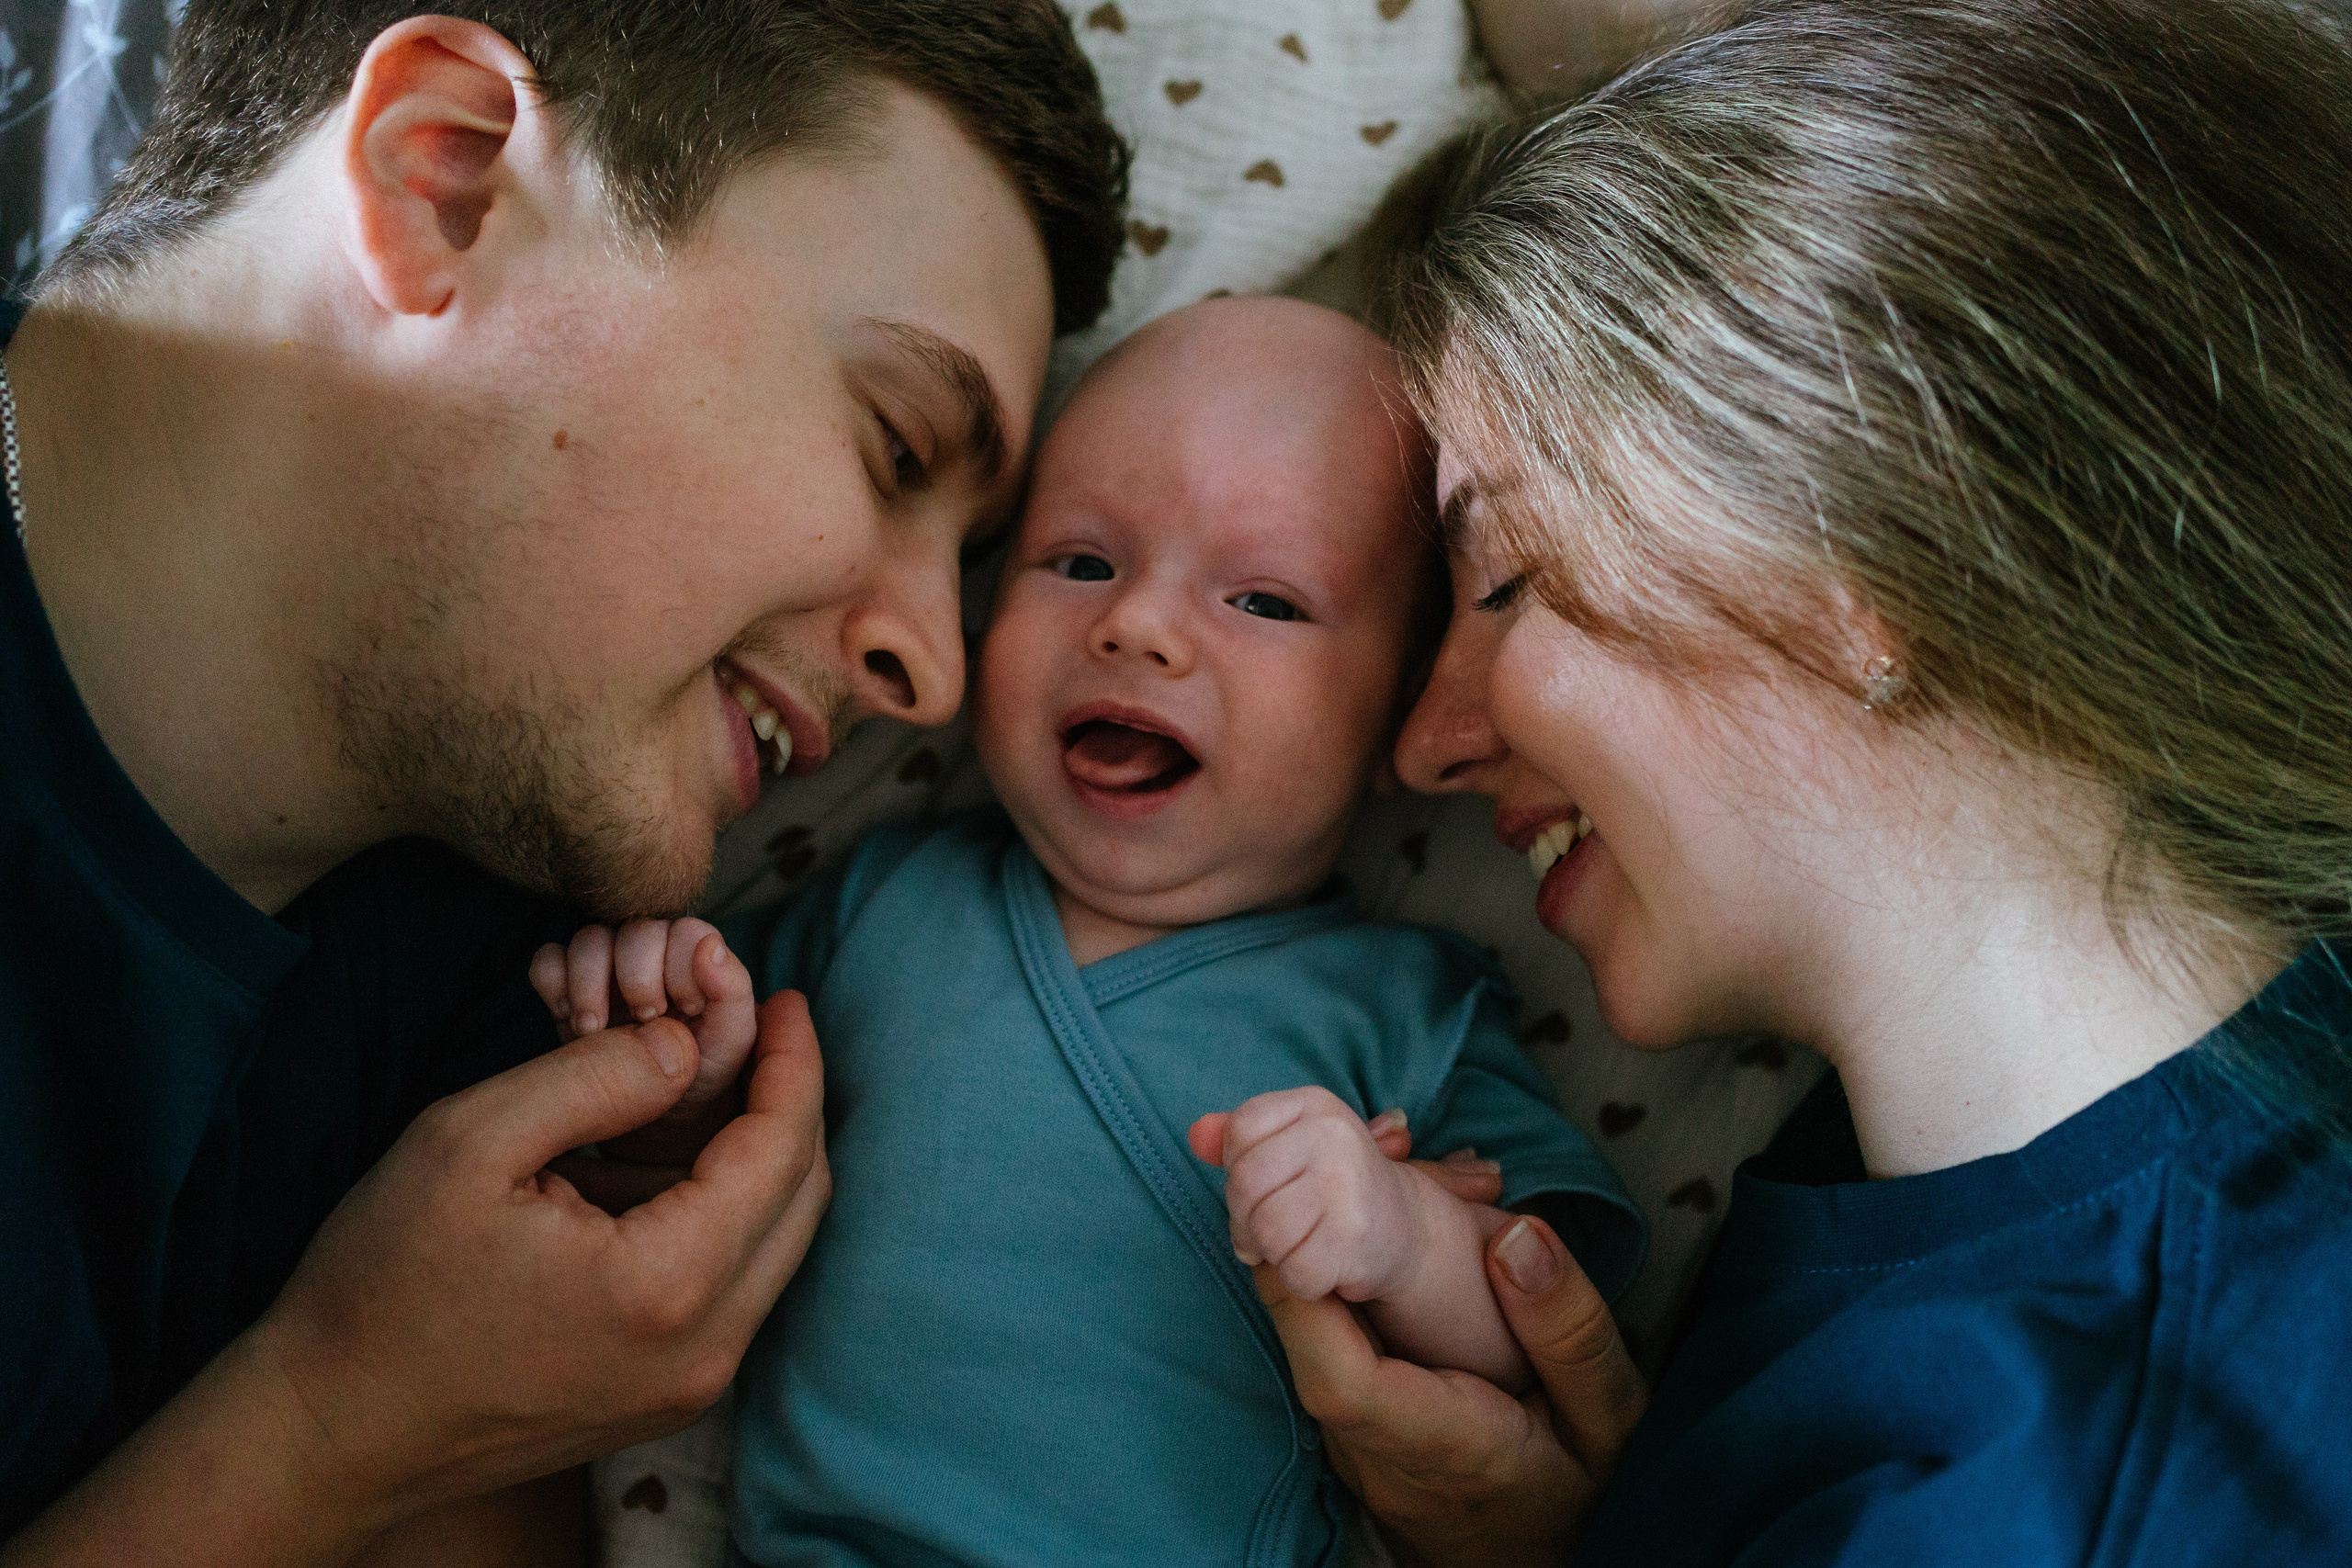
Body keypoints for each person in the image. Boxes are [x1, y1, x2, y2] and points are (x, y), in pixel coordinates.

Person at [0, 2, 1126, 1562]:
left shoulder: (495, 990)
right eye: (894, 441)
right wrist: (335, 1426)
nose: (939, 669)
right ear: (445, 176)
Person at [1250, 0, 2352, 1562]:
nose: (1421, 748)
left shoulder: (2071, 1487)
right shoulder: (2010, 1253)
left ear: (1863, 546)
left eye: (1503, 581)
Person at [538, 297, 1645, 1568]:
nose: (1137, 625)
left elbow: (1560, 1310)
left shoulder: (1407, 1002)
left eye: (1267, 601)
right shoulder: (879, 905)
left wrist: (1403, 1238)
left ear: (1404, 712)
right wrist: (659, 1031)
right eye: (1078, 563)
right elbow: (694, 1168)